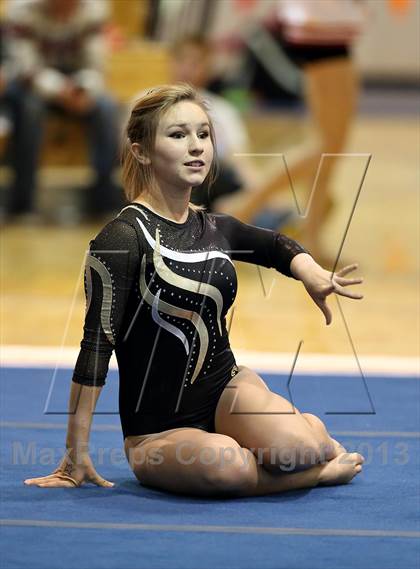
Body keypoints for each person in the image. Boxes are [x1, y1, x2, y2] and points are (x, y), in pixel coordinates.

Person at [24, 84, 364, 496]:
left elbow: (274, 246)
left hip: (226, 391)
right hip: (157, 434)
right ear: (141, 151)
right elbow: (96, 346)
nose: (196, 147)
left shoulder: (214, 227)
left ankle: (307, 437)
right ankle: (315, 474)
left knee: (299, 447)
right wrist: (75, 453)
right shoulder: (122, 238)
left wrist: (311, 272)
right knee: (226, 468)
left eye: (203, 134)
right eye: (178, 135)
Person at [2, 0, 121, 220]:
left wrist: (84, 89)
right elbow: (25, 67)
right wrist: (60, 90)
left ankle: (103, 203)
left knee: (107, 107)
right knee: (29, 109)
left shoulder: (94, 9)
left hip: (77, 83)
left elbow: (96, 64)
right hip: (32, 86)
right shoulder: (21, 10)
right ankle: (22, 204)